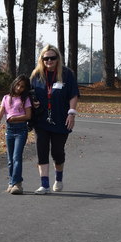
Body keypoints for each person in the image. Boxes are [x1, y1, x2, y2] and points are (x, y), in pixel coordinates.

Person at [29, 45, 79, 194]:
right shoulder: (36, 75)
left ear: (58, 58)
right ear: (42, 59)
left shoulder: (67, 74)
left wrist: (71, 113)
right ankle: (44, 184)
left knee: (57, 152)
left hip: (61, 119)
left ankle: (58, 179)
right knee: (41, 151)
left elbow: (73, 94)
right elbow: (29, 94)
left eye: (52, 58)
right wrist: (33, 102)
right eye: (46, 58)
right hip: (41, 120)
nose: (49, 61)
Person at [0, 74, 32, 194]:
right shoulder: (6, 98)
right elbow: (2, 111)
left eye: (22, 87)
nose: (19, 88)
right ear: (14, 83)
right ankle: (11, 182)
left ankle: (17, 184)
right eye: (18, 85)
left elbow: (28, 116)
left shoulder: (25, 99)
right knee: (10, 159)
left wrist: (14, 118)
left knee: (17, 157)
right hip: (9, 130)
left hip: (21, 130)